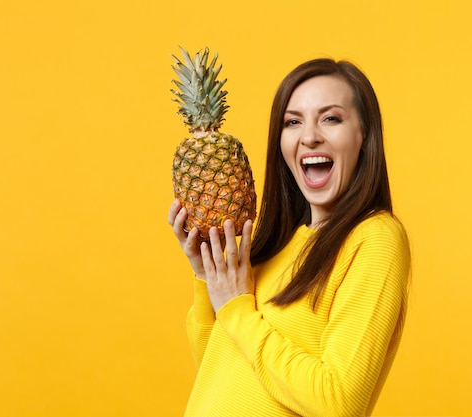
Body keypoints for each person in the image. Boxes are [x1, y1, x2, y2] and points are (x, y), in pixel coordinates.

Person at [168, 57, 411, 417]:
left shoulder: (375, 238)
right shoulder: (274, 246)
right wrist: (208, 278)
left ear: (364, 134)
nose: (309, 135)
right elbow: (218, 372)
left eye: (330, 118)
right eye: (293, 122)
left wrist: (238, 310)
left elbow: (339, 403)